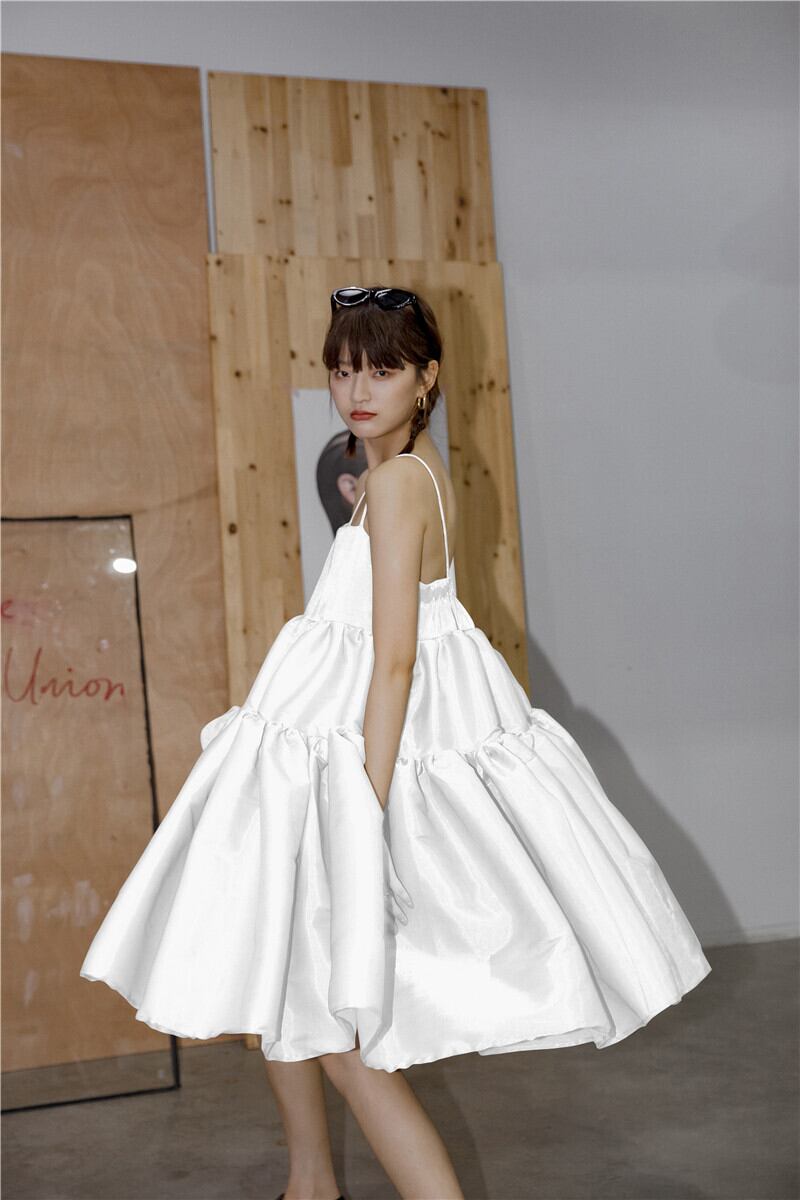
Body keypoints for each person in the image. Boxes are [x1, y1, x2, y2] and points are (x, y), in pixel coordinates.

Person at [80, 285, 711, 1200]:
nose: (357, 390)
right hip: (322, 751)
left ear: (426, 379)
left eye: (382, 370)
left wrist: (362, 813)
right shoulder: (404, 475)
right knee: (282, 984)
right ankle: (309, 1184)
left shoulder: (399, 482)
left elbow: (394, 661)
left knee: (334, 1037)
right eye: (343, 371)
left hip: (357, 765)